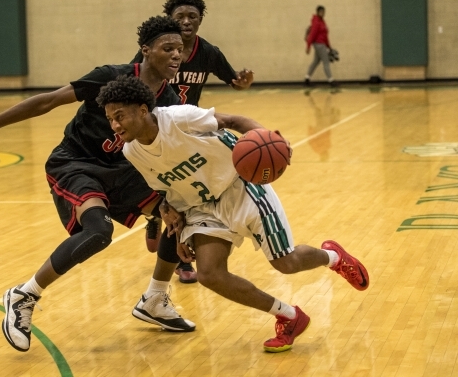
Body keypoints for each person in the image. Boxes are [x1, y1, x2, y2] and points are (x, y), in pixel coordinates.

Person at [0, 16, 196, 353]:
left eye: (180, 49)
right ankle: (23, 294)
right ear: (145, 50)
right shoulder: (110, 77)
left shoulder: (169, 98)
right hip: (76, 164)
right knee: (98, 231)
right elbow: (48, 100)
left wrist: (168, 197)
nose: (177, 55)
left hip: (123, 170)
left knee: (181, 215)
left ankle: (155, 299)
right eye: (168, 48)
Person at [98, 75, 369, 352]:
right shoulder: (133, 152)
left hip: (241, 186)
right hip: (202, 205)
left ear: (143, 110)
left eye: (120, 116)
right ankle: (289, 316)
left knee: (286, 263)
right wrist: (178, 230)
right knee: (209, 273)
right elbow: (167, 191)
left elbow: (234, 121)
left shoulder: (178, 118)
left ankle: (334, 257)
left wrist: (271, 139)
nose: (115, 125)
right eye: (110, 120)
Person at [133, 0, 254, 283]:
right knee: (173, 191)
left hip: (187, 128)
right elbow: (134, 83)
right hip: (155, 127)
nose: (186, 21)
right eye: (180, 17)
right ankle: (161, 221)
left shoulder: (208, 52)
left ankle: (177, 249)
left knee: (186, 192)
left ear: (200, 21)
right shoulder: (155, 49)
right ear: (170, 20)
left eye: (193, 17)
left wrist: (242, 83)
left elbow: (234, 81)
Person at [304, 5, 337, 87]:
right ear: (317, 12)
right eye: (321, 12)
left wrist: (329, 46)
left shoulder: (322, 22)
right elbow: (312, 35)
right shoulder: (316, 22)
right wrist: (308, 47)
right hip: (319, 44)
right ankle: (331, 80)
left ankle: (307, 78)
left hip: (322, 44)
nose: (322, 13)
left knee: (315, 62)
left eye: (323, 12)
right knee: (326, 62)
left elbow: (325, 36)